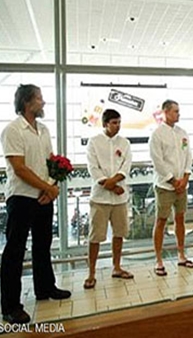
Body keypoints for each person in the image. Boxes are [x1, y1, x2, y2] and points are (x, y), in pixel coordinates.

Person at [0, 84, 71, 324]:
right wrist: (47, 187)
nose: (43, 102)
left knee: (43, 245)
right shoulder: (13, 130)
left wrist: (52, 186)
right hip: (21, 197)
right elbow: (19, 168)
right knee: (15, 251)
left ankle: (45, 288)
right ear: (27, 102)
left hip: (43, 197)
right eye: (39, 98)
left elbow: (51, 162)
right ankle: (11, 306)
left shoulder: (44, 130)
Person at [84, 109, 133, 290]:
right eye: (114, 122)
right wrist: (111, 185)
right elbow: (93, 168)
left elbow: (126, 166)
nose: (117, 126)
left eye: (119, 122)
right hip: (100, 197)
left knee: (119, 233)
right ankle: (91, 273)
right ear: (105, 124)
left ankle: (117, 267)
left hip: (120, 198)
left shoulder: (124, 143)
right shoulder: (94, 142)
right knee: (95, 237)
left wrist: (115, 181)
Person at [149, 100, 193, 277]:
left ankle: (181, 255)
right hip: (165, 186)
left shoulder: (182, 133)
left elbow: (188, 156)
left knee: (180, 219)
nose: (178, 114)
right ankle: (158, 260)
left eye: (178, 111)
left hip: (182, 185)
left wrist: (185, 178)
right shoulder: (157, 134)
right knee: (161, 221)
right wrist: (172, 180)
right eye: (175, 111)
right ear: (166, 112)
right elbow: (157, 161)